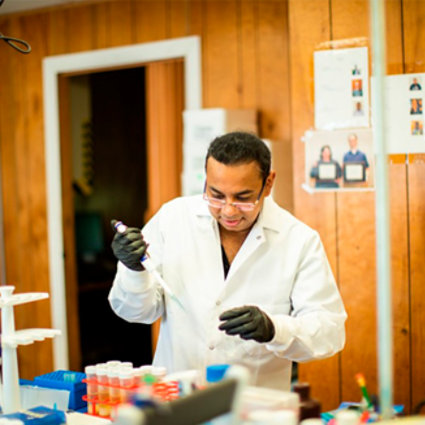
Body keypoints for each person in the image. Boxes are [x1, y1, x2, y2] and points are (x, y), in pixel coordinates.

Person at [108, 132, 347, 391]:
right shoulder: (173, 219)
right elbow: (135, 312)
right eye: (217, 195)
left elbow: (329, 332)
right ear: (206, 180)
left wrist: (274, 329)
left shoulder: (298, 240)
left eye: (243, 198)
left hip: (253, 409)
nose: (228, 210)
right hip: (178, 402)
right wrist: (134, 270)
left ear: (268, 184)